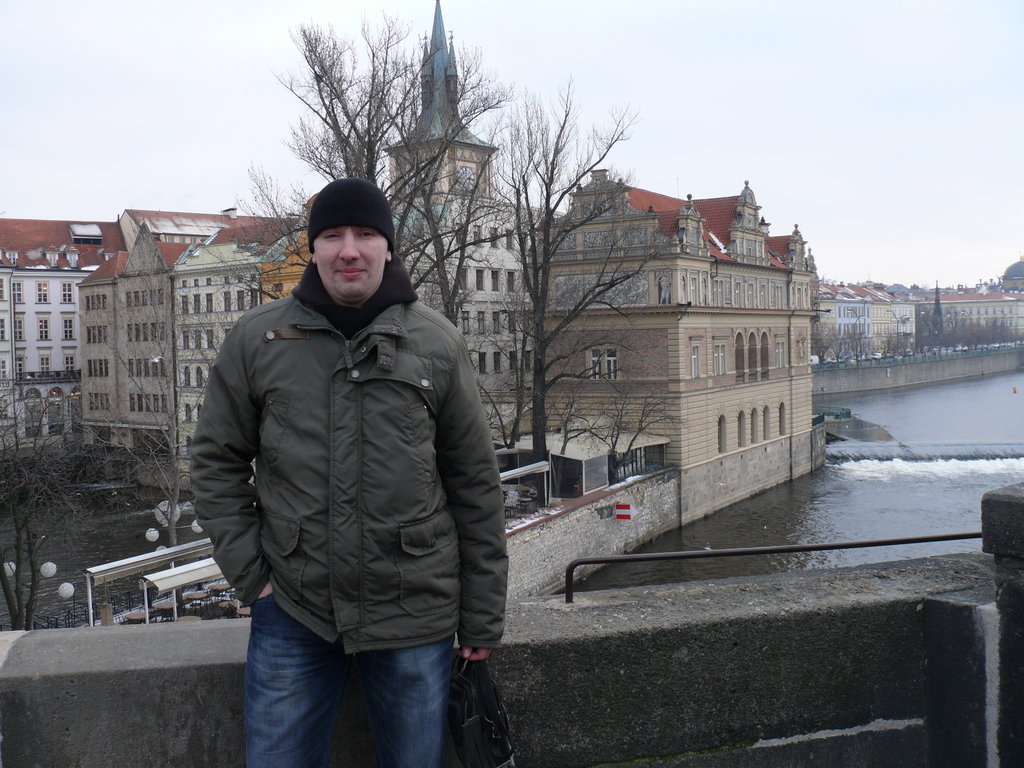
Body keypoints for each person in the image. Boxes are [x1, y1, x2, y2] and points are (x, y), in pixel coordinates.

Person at [190, 177, 508, 768]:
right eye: (332, 235)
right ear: (313, 248)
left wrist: (482, 617)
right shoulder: (258, 339)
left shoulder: (436, 343)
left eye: (365, 234)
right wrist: (255, 580)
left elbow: (475, 485)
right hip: (293, 605)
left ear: (388, 246)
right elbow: (214, 464)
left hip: (415, 609)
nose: (349, 250)